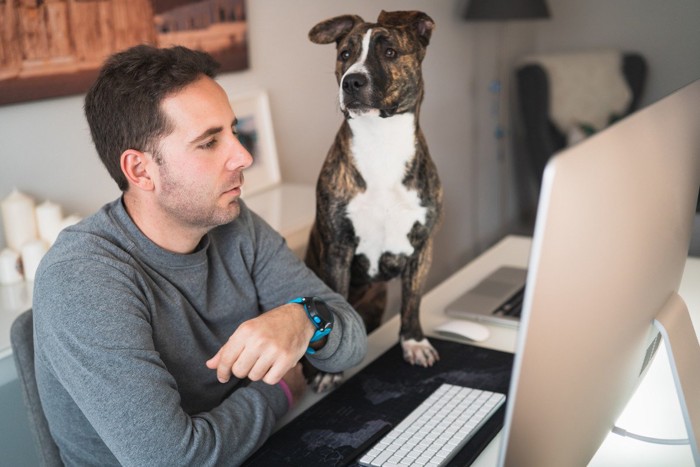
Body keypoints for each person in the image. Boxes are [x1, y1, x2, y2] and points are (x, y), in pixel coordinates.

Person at [32, 44, 367, 466]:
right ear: (140, 171)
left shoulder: (233, 222)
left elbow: (351, 341)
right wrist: (279, 389)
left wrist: (306, 318)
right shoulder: (81, 278)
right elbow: (175, 460)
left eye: (231, 130)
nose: (243, 156)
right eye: (209, 142)